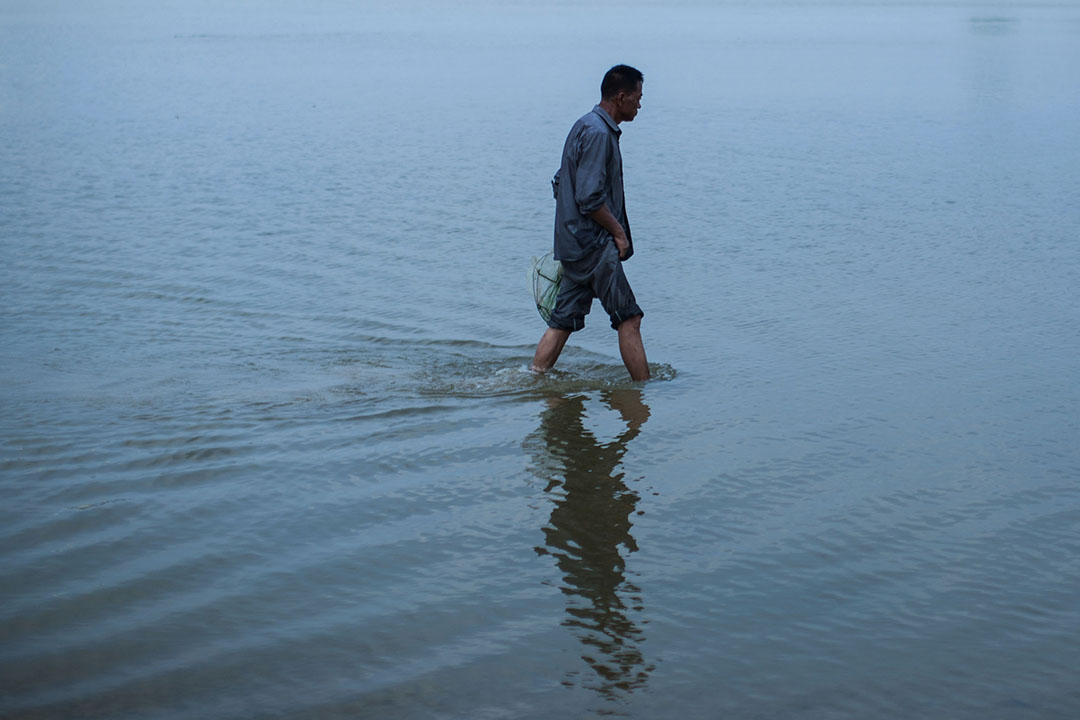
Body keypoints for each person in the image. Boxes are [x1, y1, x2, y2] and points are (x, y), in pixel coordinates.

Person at [531, 64, 650, 381]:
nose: (640, 104)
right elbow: (589, 197)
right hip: (595, 248)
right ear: (621, 96)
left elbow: (561, 184)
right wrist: (618, 233)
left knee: (561, 322)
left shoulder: (583, 125)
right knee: (629, 319)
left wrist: (573, 232)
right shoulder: (599, 134)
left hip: (573, 248)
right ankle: (645, 395)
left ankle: (533, 377)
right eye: (638, 97)